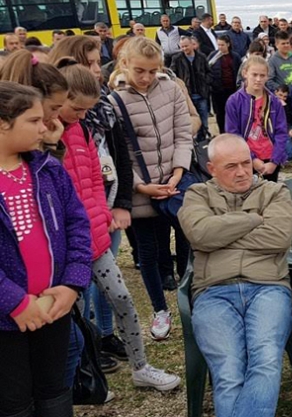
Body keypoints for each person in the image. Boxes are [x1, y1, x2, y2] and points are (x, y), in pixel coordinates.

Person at [58, 65, 181, 392]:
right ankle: (81, 381)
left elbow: (98, 178)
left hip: (95, 238)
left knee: (123, 299)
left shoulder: (84, 129)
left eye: (87, 109)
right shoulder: (49, 136)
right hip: (68, 247)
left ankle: (141, 367)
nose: (83, 114)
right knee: (77, 315)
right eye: (78, 108)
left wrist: (104, 212)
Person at [178, 134, 292, 417]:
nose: (242, 172)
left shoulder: (274, 192)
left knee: (266, 358)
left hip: (268, 287)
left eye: (246, 163)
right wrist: (254, 219)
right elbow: (200, 234)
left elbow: (279, 237)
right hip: (213, 291)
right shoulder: (197, 194)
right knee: (229, 369)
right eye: (231, 166)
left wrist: (221, 235)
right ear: (211, 168)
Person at [0, 82, 93, 417]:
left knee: (54, 391)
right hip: (7, 319)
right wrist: (16, 302)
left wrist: (72, 284)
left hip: (54, 307)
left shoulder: (47, 169)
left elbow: (78, 226)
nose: (45, 127)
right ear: (3, 123)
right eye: (34, 120)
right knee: (14, 400)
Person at [109, 37, 193, 340]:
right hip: (140, 187)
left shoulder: (170, 88)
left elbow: (184, 134)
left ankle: (190, 294)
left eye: (152, 71)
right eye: (139, 71)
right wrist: (142, 186)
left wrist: (177, 173)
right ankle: (160, 309)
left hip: (174, 179)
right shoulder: (115, 101)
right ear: (125, 65)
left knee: (187, 235)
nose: (146, 78)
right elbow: (119, 151)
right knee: (148, 249)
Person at [225, 56, 289, 182]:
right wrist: (252, 158)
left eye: (262, 75)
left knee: (269, 196)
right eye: (254, 75)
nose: (258, 79)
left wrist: (275, 161)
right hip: (245, 158)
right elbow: (233, 134)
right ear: (245, 73)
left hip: (270, 159)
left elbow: (281, 132)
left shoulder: (274, 101)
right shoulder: (234, 101)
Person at [171, 36, 211, 142]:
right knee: (191, 120)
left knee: (204, 119)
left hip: (201, 94)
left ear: (192, 45)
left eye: (186, 46)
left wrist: (206, 83)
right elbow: (173, 75)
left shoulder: (201, 57)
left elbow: (208, 72)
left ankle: (203, 139)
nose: (184, 49)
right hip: (187, 96)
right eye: (182, 46)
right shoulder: (177, 59)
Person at [209, 34, 243, 135]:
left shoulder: (235, 56)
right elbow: (207, 69)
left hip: (232, 89)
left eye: (222, 45)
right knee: (220, 113)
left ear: (228, 44)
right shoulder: (213, 56)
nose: (220, 47)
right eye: (218, 45)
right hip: (218, 90)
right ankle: (223, 132)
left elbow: (239, 71)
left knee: (234, 112)